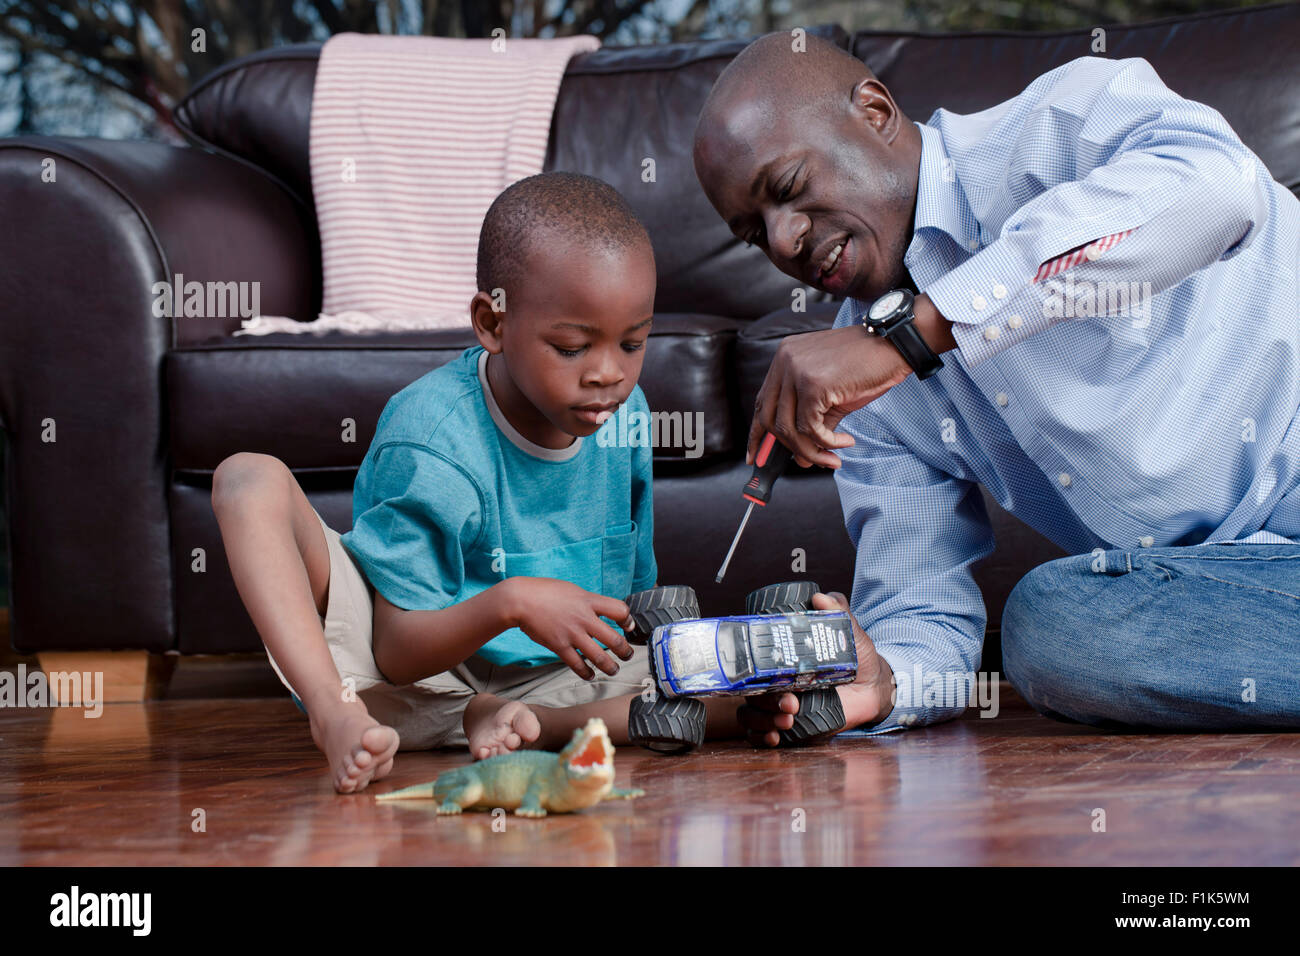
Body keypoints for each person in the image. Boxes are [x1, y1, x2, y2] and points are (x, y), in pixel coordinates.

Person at [693, 33, 1300, 740]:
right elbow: (923, 613)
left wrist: (924, 329)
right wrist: (882, 684)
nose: (785, 240)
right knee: (1053, 631)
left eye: (790, 188)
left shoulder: (1065, 118)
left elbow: (1217, 190)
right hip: (1239, 593)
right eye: (752, 234)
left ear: (875, 111)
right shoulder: (866, 388)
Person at [212, 172, 747, 792]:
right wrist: (513, 601)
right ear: (492, 324)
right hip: (403, 672)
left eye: (632, 343)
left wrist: (687, 661)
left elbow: (634, 600)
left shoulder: (626, 417)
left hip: (553, 679)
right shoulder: (433, 435)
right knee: (246, 478)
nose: (608, 375)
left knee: (736, 696)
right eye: (572, 347)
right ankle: (335, 715)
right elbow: (395, 651)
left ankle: (531, 724)